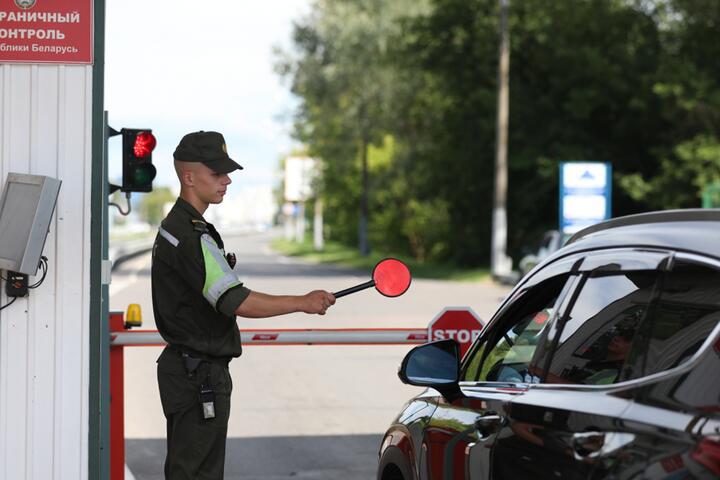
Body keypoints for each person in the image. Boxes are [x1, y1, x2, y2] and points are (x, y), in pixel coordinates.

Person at [151, 130, 336, 480]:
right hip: (198, 377)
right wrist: (303, 302)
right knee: (197, 474)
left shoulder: (178, 228)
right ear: (189, 177)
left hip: (188, 371)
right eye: (217, 173)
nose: (227, 180)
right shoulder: (191, 236)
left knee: (188, 471)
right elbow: (235, 300)